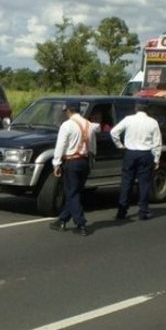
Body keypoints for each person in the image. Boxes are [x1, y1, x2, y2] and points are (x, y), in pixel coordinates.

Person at [49, 101, 97, 236]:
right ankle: (62, 220)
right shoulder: (89, 125)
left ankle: (81, 223)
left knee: (71, 193)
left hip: (72, 162)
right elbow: (92, 147)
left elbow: (60, 146)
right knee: (75, 192)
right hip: (84, 161)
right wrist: (91, 163)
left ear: (68, 110)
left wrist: (56, 163)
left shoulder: (67, 125)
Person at [110, 101, 162, 220]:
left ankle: (122, 211)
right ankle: (143, 211)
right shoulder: (153, 122)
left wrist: (120, 145)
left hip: (130, 153)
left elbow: (114, 132)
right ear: (147, 110)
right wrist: (156, 158)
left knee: (127, 182)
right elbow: (157, 142)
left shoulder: (128, 119)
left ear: (135, 109)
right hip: (145, 154)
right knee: (144, 184)